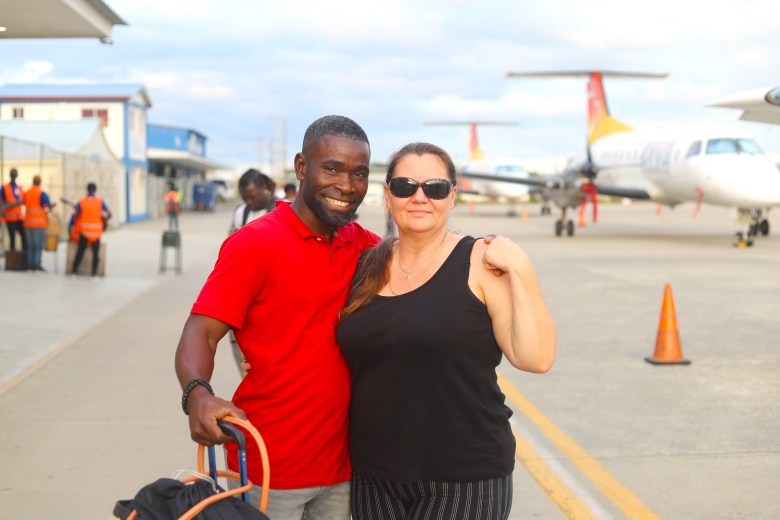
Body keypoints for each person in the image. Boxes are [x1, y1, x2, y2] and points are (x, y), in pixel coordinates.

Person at [174, 115, 380, 520]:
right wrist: (198, 393)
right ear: (302, 167)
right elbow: (201, 331)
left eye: (359, 173)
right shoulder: (255, 243)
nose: (347, 185)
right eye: (332, 169)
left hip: (346, 467)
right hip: (270, 467)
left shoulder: (367, 248)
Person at [336, 142, 557, 520]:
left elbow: (535, 358)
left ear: (452, 196)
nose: (419, 197)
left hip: (463, 474)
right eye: (405, 186)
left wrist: (521, 268)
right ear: (388, 195)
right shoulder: (365, 266)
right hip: (374, 472)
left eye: (435, 188)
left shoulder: (481, 262)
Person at [70, 182, 112, 277]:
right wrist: (103, 220)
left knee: (80, 252)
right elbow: (109, 214)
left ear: (87, 189)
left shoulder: (82, 201)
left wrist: (72, 226)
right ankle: (94, 273)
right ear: (95, 190)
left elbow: (75, 216)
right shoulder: (100, 201)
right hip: (96, 233)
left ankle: (74, 271)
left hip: (84, 232)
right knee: (96, 254)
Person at [228, 169, 276, 235]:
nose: (249, 202)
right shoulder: (241, 212)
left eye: (252, 197)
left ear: (265, 187)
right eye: (244, 198)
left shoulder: (282, 210)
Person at [23, 175, 53, 272]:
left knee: (29, 245)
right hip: (38, 224)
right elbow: (48, 205)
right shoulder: (42, 193)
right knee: (38, 245)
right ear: (40, 182)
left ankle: (29, 265)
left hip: (27, 223)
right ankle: (36, 265)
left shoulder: (26, 192)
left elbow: (23, 203)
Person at [1, 167, 26, 252]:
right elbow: (2, 204)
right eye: (12, 174)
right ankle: (12, 256)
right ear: (10, 175)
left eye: (15, 174)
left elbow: (23, 200)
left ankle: (24, 254)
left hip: (19, 217)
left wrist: (20, 202)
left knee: (23, 235)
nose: (14, 175)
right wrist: (13, 204)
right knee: (12, 238)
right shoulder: (4, 188)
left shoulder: (19, 188)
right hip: (10, 218)